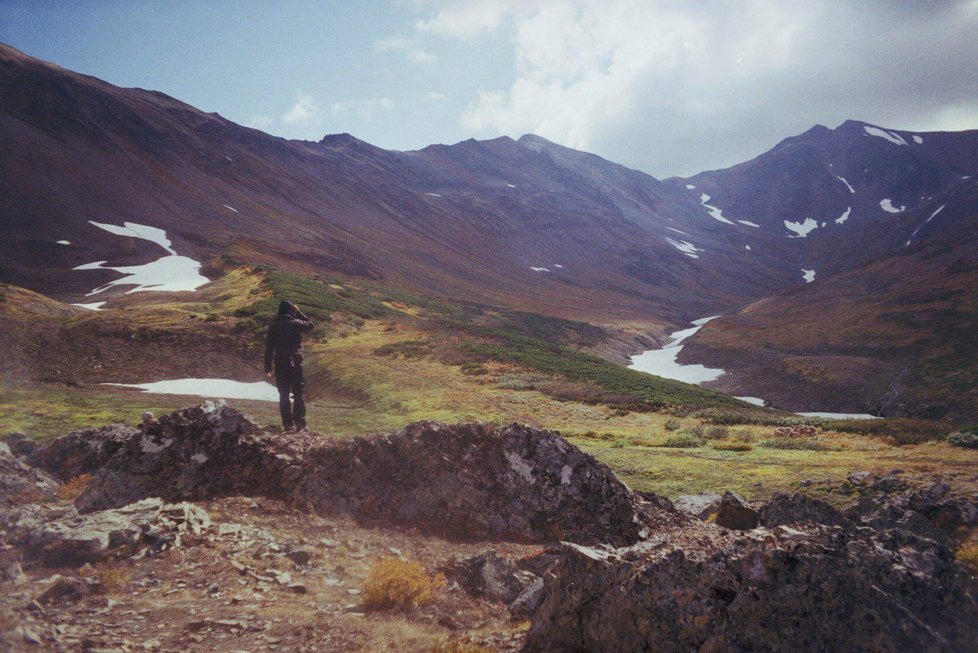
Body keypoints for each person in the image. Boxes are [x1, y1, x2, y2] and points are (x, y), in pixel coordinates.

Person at [264, 300, 315, 431]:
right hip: (295, 363)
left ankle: (288, 425)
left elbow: (269, 348)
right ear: (290, 310)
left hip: (280, 363)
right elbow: (310, 325)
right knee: (299, 393)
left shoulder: (273, 326)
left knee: (284, 394)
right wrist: (299, 313)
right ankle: (300, 423)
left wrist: (268, 368)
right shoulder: (295, 323)